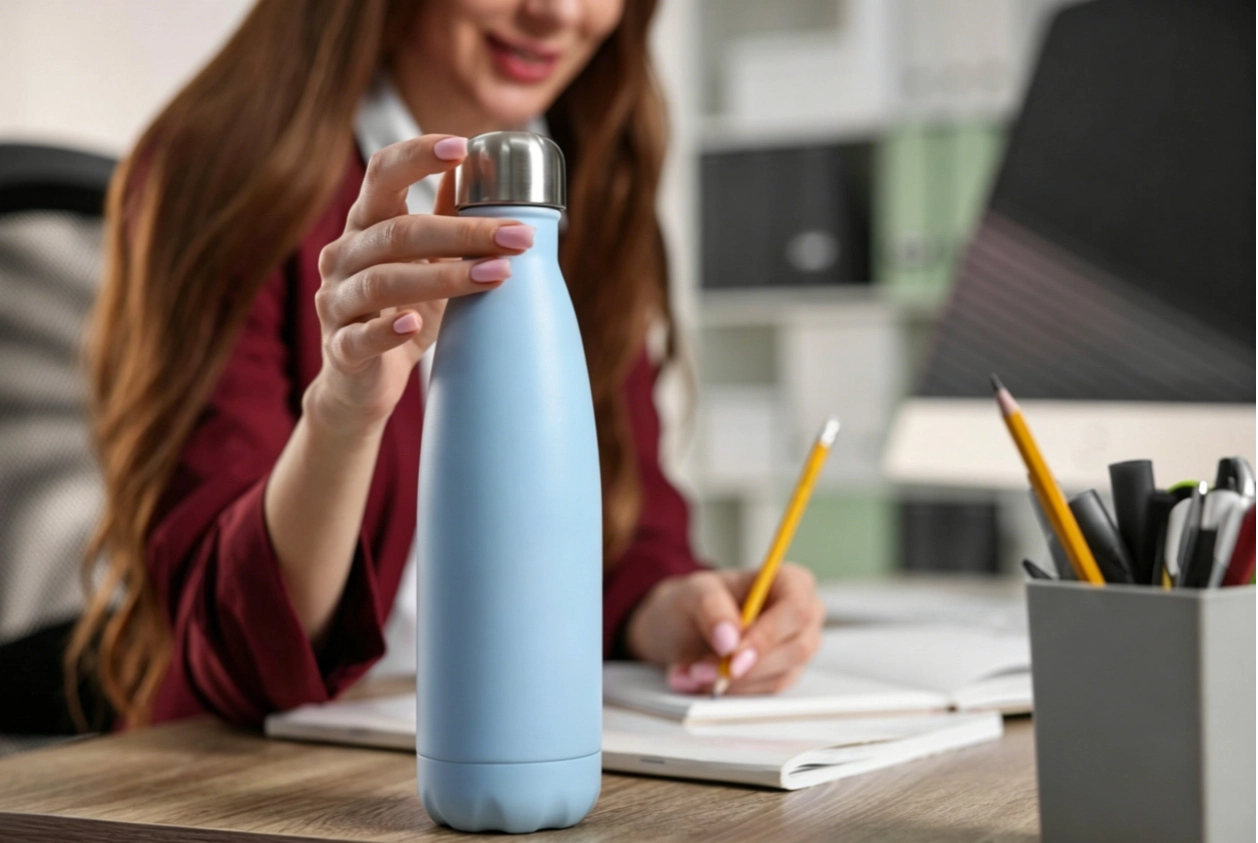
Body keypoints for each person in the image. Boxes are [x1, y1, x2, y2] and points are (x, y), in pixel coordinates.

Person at [70, 0, 825, 729]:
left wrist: (676, 612)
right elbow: (231, 635)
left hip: (520, 735)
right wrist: (343, 413)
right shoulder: (237, 175)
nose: (560, 11)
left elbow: (626, 526)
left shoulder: (583, 178)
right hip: (265, 772)